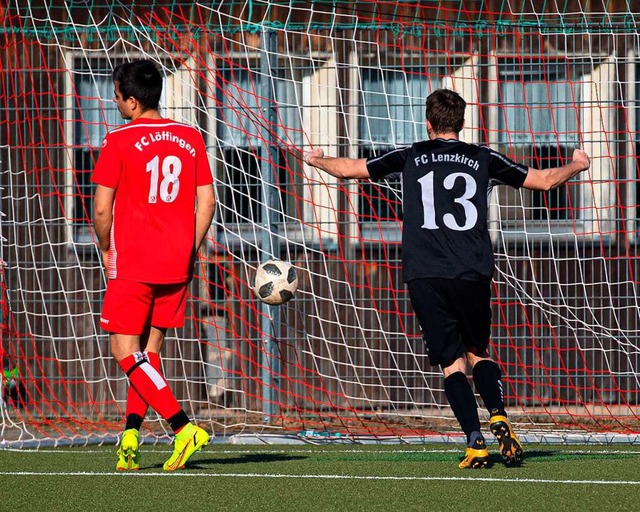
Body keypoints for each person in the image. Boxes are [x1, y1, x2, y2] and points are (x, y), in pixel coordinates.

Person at [304, 88, 590, 469]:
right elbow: (543, 181)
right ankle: (499, 415)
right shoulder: (482, 157)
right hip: (472, 271)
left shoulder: (411, 154)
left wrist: (318, 160)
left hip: (425, 273)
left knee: (452, 364)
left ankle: (475, 442)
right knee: (478, 353)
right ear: (462, 122)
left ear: (428, 123)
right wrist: (577, 164)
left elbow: (349, 170)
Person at [92, 59, 216, 471]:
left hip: (135, 261)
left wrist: (108, 247)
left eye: (116, 97)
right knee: (149, 351)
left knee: (123, 349)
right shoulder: (190, 136)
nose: (114, 103)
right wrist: (192, 249)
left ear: (131, 101)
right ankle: (130, 435)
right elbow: (207, 202)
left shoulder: (118, 140)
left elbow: (101, 210)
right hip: (176, 261)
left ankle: (183, 428)